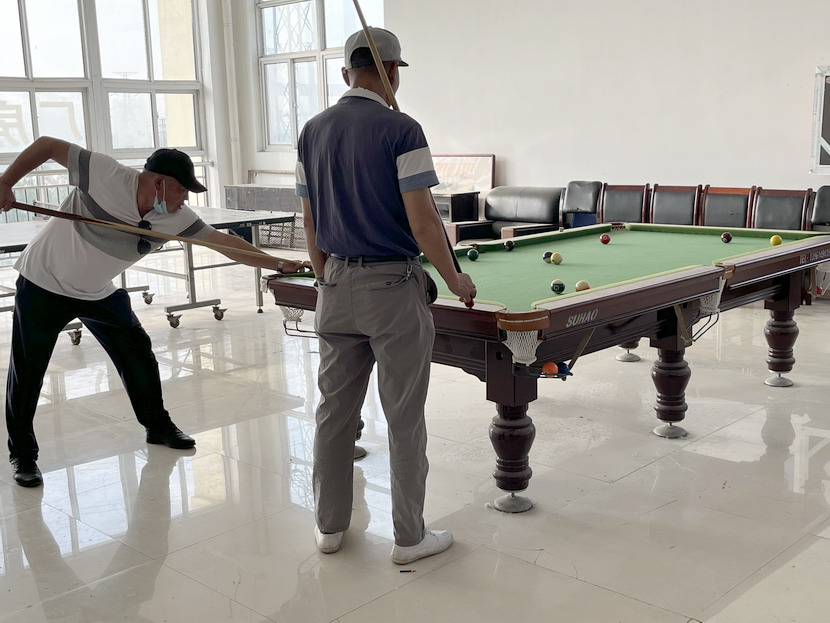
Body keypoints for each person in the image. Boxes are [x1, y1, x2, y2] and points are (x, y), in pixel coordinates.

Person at [0, 138, 309, 488]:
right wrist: (5, 182)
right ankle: (23, 454)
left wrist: (277, 262)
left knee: (138, 355)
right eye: (182, 189)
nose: (185, 198)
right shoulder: (105, 174)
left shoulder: (175, 218)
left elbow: (223, 243)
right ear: (159, 183)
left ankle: (157, 426)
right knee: (29, 371)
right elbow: (46, 146)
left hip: (96, 291)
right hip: (43, 283)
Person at [296, 27, 477, 564]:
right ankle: (409, 538)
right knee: (403, 417)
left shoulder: (311, 131)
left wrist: (326, 276)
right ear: (393, 72)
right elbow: (424, 223)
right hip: (393, 289)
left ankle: (329, 528)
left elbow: (309, 221)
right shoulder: (403, 129)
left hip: (334, 285)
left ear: (345, 73)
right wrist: (455, 279)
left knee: (333, 414)